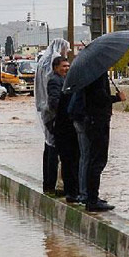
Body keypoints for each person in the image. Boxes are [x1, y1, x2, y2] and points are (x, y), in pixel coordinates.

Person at [69, 72, 123, 212]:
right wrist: (117, 98)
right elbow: (99, 98)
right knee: (97, 160)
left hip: (93, 120)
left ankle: (91, 197)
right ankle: (92, 199)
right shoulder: (97, 75)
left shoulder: (91, 73)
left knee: (93, 159)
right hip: (97, 121)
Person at [35, 39, 71, 195]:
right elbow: (55, 97)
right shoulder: (53, 67)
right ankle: (55, 184)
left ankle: (48, 184)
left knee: (49, 147)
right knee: (56, 151)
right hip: (54, 115)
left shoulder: (43, 62)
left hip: (45, 111)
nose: (67, 53)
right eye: (66, 50)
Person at [46, 55, 80, 201]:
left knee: (71, 159)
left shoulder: (65, 80)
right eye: (64, 66)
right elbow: (54, 103)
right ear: (56, 68)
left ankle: (72, 190)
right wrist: (70, 107)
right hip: (63, 126)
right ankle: (70, 191)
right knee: (68, 160)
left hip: (67, 125)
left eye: (68, 66)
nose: (66, 68)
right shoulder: (55, 81)